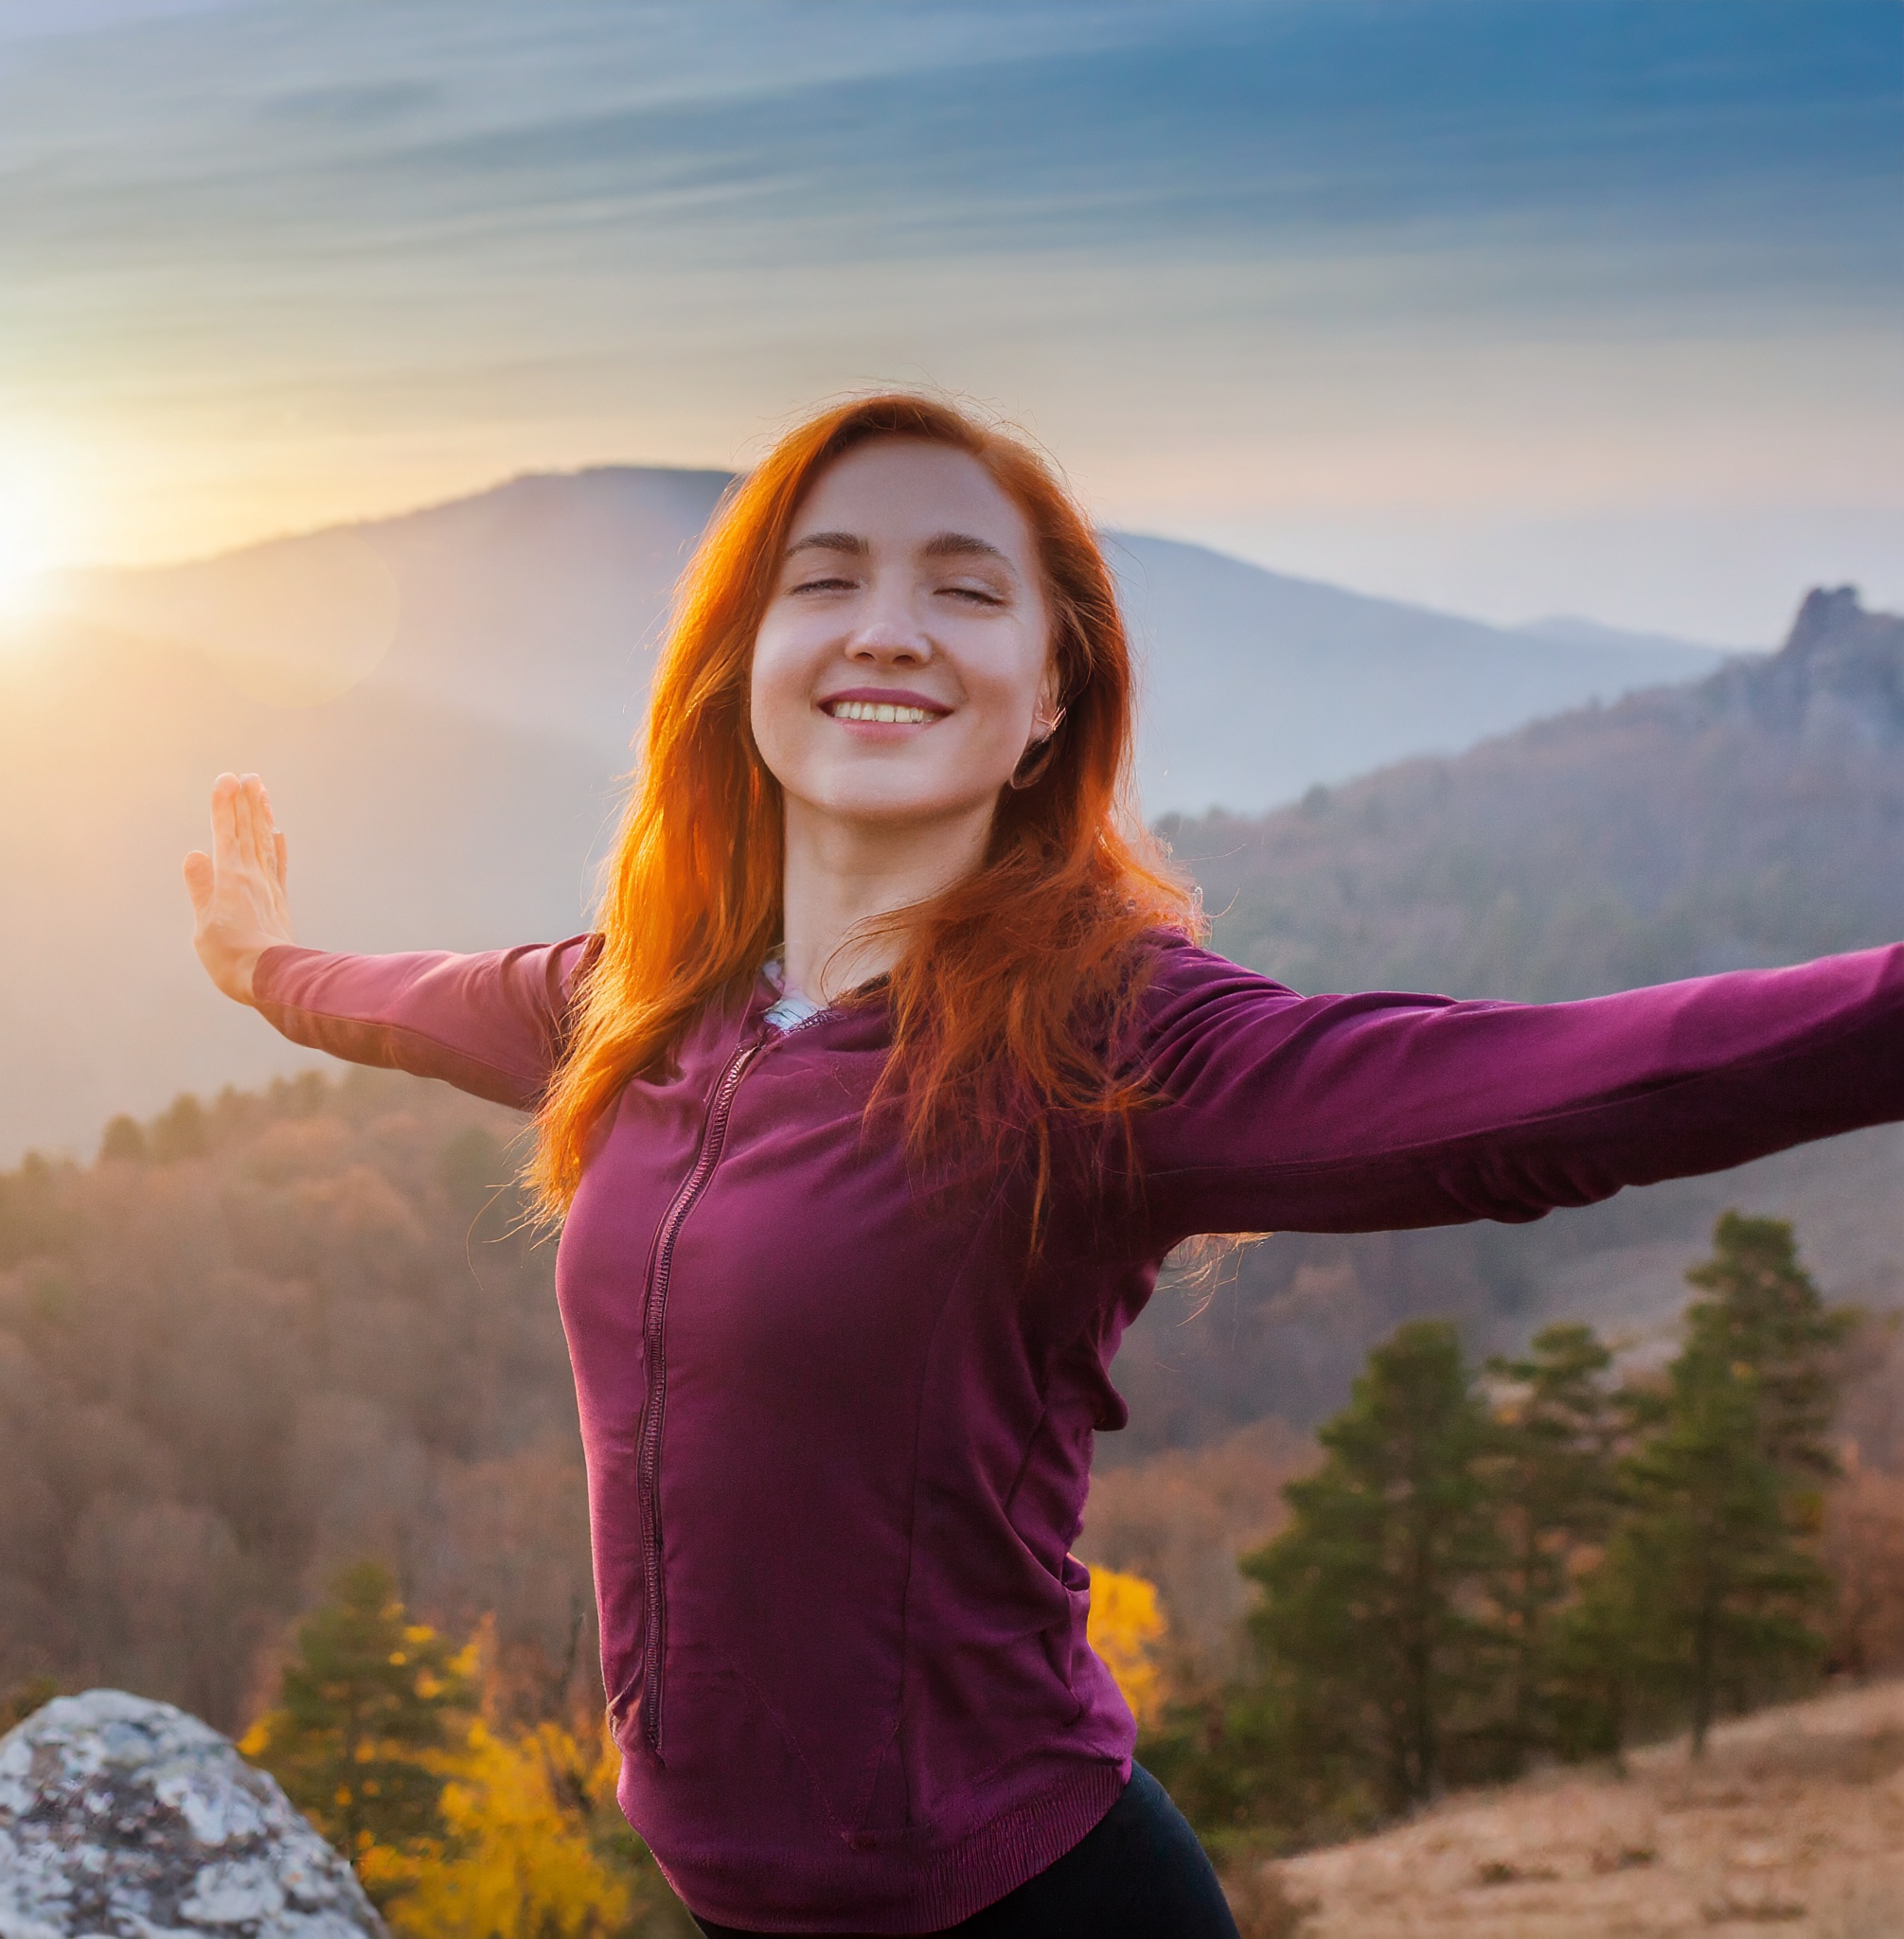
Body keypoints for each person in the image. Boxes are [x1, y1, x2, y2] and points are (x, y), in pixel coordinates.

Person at [185, 394, 1904, 1938]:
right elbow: (421, 1002)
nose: (888, 628)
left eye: (964, 587)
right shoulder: (644, 999)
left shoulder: (1100, 1042)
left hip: (1025, 1908)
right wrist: (270, 970)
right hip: (730, 1897)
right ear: (741, 655)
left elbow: (1535, 1096)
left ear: (1049, 694)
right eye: (825, 576)